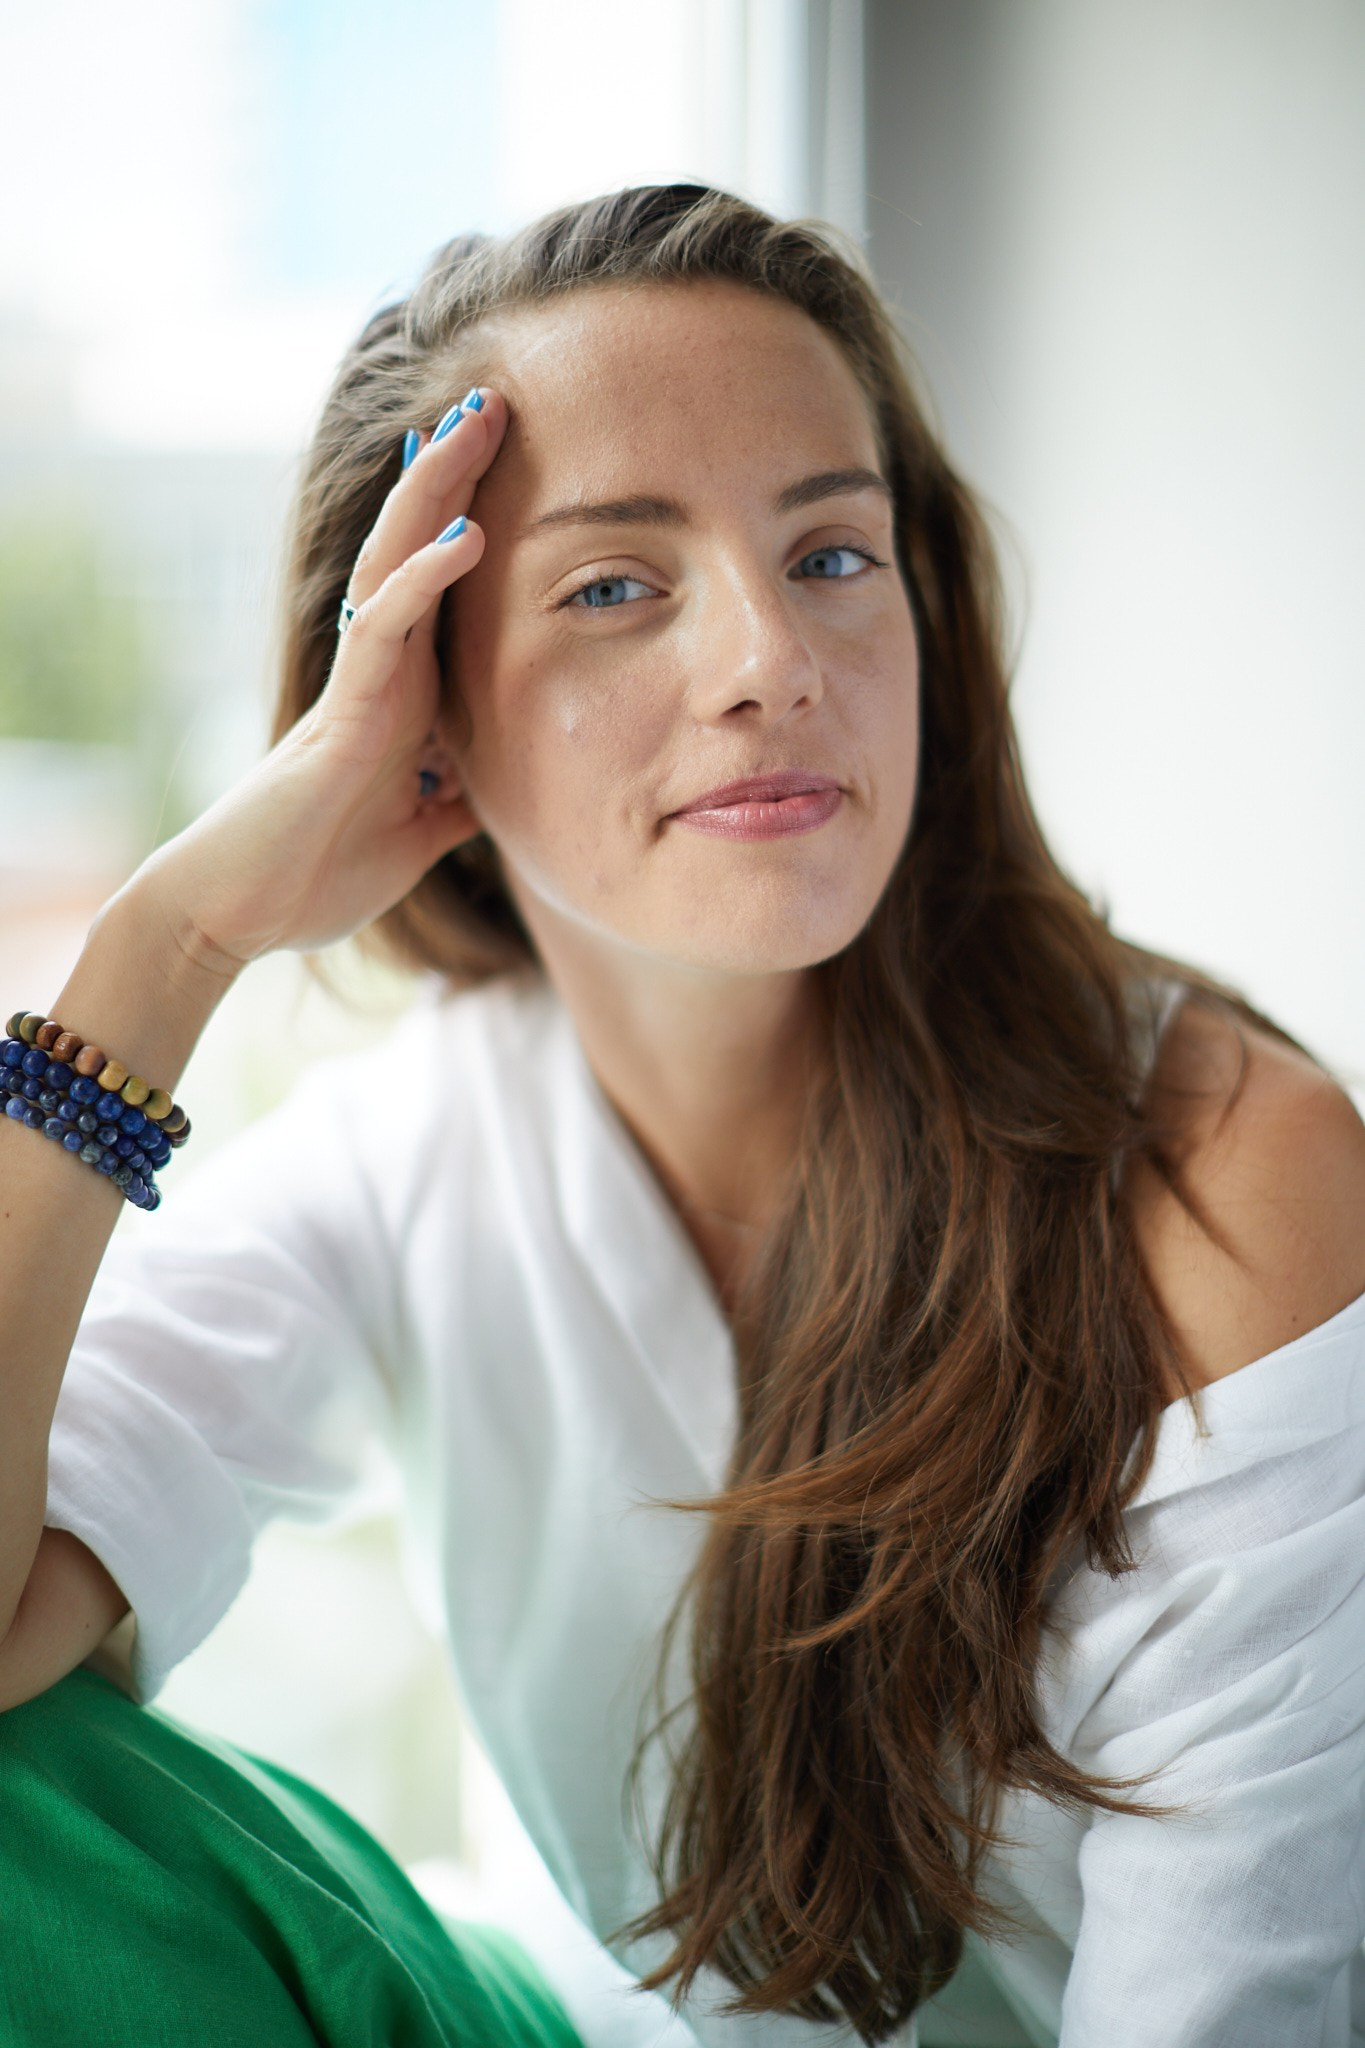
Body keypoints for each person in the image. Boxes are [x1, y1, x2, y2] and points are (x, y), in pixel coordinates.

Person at [1, 181, 1363, 2048]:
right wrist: (168, 941)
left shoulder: (1224, 1185)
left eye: (829, 555)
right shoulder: (413, 1156)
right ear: (417, 703)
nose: (767, 663)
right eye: (614, 585)